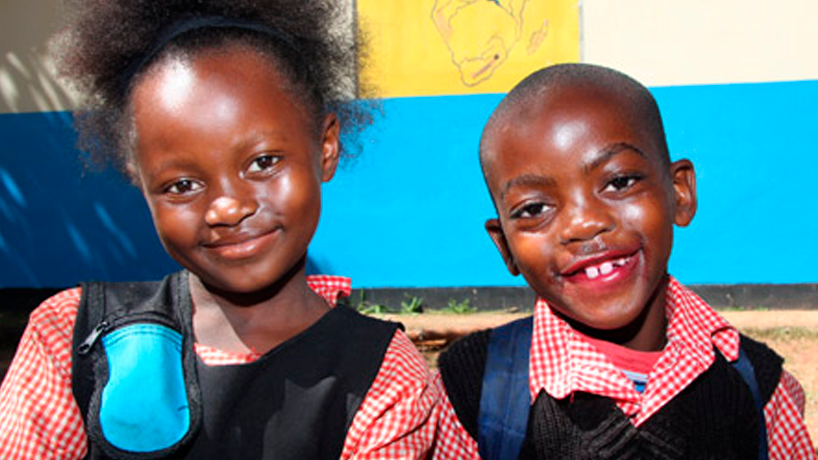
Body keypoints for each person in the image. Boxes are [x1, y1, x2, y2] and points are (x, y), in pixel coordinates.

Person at [0, 1, 438, 459]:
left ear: (325, 146)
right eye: (182, 184)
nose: (227, 208)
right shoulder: (71, 336)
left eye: (263, 162)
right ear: (139, 178)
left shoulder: (383, 376)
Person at [431, 63, 815, 459]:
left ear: (679, 193)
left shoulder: (757, 387)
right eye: (534, 208)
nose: (583, 223)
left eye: (618, 182)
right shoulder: (473, 393)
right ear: (506, 247)